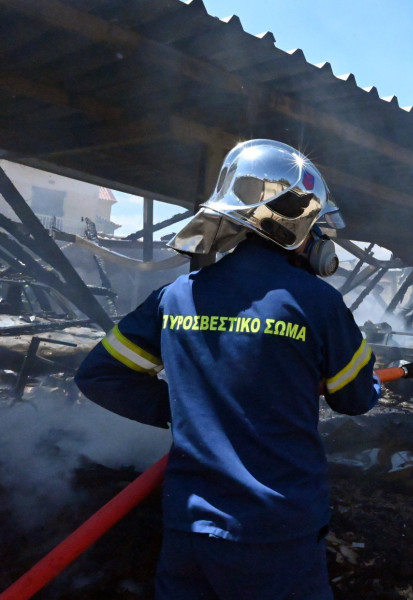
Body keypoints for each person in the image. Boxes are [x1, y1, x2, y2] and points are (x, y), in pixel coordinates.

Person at [74, 139, 380, 599]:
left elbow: (99, 375)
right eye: (319, 229)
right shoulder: (318, 302)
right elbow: (356, 398)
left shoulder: (176, 296)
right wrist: (366, 372)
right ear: (300, 228)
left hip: (189, 529)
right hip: (277, 533)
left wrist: (186, 409)